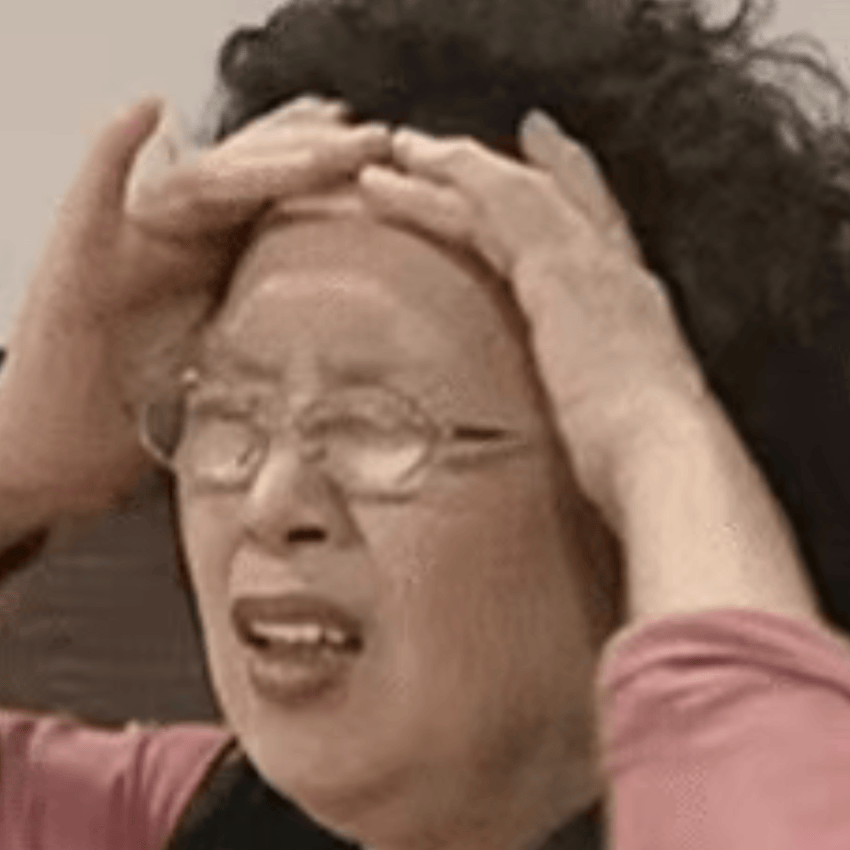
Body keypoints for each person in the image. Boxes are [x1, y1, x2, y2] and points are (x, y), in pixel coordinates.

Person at [2, 0, 850, 848]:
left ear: (629, 504)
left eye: (376, 424)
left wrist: (655, 423)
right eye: (230, 410)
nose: (271, 502)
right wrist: (21, 468)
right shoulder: (177, 821)